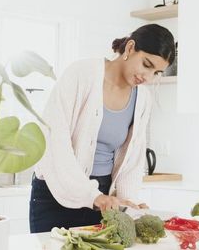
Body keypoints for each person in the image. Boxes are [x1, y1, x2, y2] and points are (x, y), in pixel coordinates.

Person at [29, 24, 176, 233]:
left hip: (103, 199)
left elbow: (132, 162)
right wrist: (91, 195)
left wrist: (130, 206)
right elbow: (55, 141)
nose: (148, 77)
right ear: (130, 48)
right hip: (56, 192)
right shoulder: (81, 74)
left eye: (156, 72)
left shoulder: (142, 99)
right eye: (146, 64)